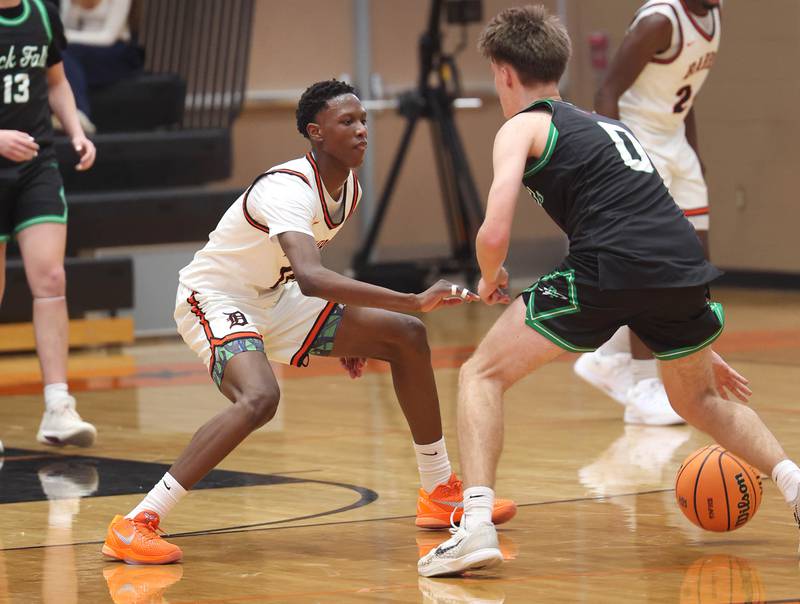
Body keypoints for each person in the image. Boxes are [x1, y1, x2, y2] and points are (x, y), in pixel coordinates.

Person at [418, 5, 800, 577]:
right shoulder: (610, 126)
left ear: (502, 72)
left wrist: (489, 274)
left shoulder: (520, 126)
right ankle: (795, 482)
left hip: (611, 266)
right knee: (698, 399)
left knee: (481, 373)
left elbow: (493, 230)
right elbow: (652, 230)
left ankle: (474, 527)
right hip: (679, 265)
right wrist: (689, 328)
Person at [101, 80, 517, 565]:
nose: (362, 130)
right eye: (348, 122)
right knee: (260, 398)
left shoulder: (349, 189)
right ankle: (137, 523)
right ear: (315, 133)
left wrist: (351, 333)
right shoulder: (285, 187)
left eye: (363, 120)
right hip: (215, 296)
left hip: (277, 296)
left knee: (404, 336)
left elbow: (307, 281)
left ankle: (437, 490)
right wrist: (411, 299)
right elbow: (313, 277)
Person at [574, 0, 721, 426]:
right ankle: (642, 385)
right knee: (651, 264)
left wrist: (693, 150)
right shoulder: (659, 20)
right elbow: (606, 93)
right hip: (640, 142)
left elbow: (686, 90)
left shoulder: (714, 14)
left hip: (675, 142)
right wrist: (616, 161)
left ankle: (609, 353)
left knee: (695, 262)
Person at [0, 0, 97, 451]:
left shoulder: (41, 14)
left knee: (51, 277)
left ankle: (58, 406)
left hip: (35, 168)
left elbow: (55, 81)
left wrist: (74, 130)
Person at [59, 0, 143, 129]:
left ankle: (80, 113)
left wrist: (67, 37)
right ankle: (71, 114)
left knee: (67, 54)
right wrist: (73, 6)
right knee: (61, 55)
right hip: (79, 48)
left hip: (114, 50)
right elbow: (65, 27)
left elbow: (108, 37)